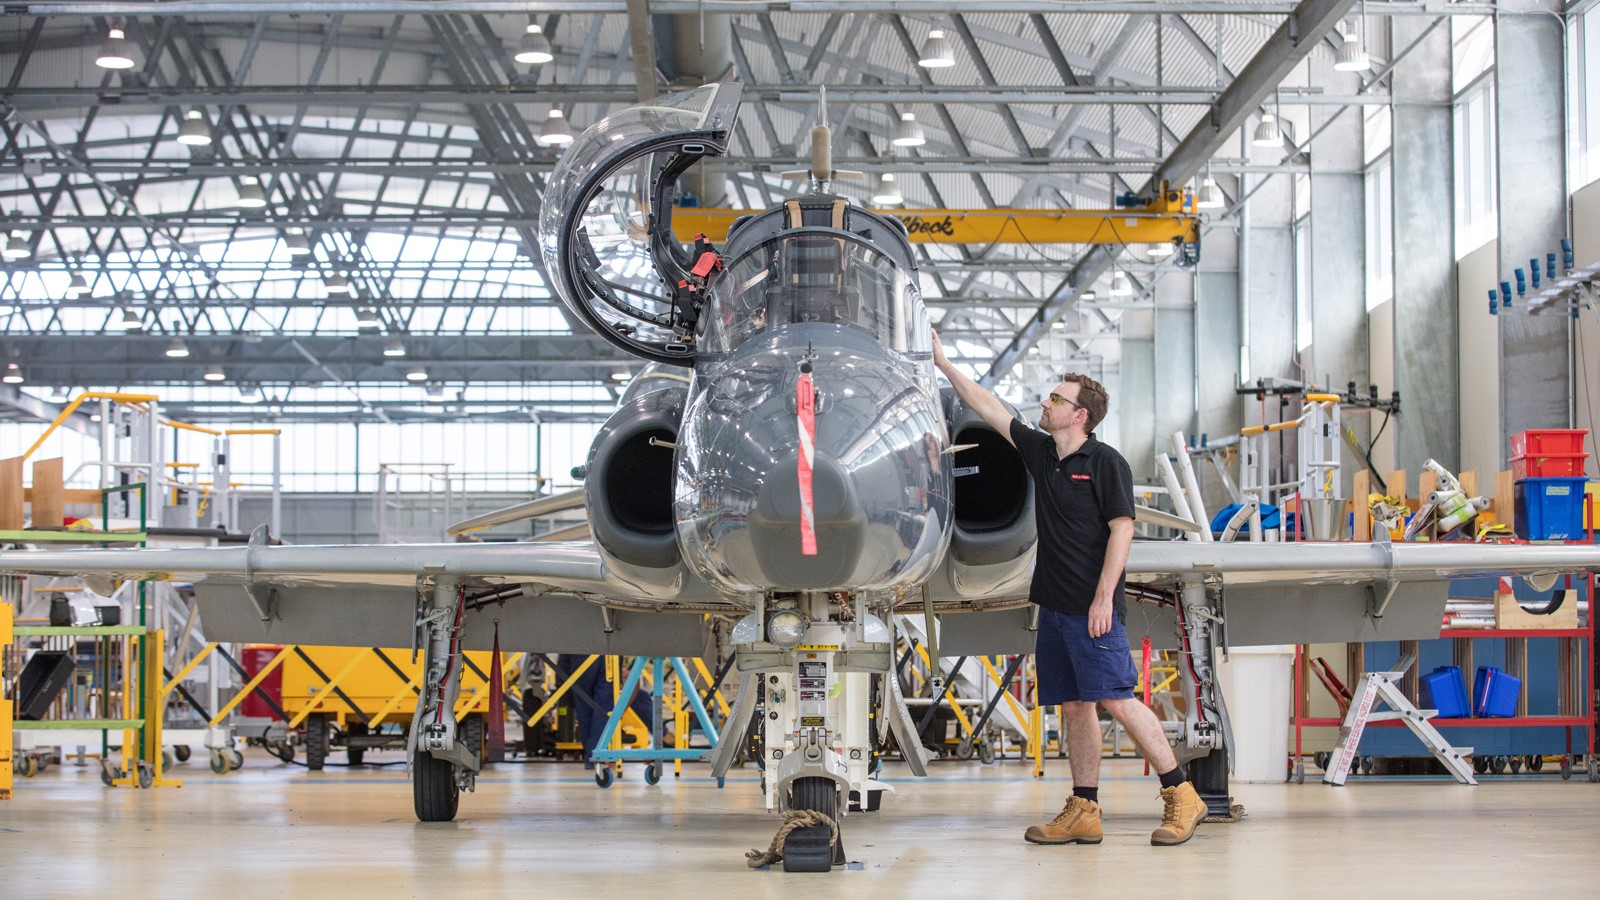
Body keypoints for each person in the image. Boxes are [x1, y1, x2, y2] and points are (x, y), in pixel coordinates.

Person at [931, 330, 1207, 848]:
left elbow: (1122, 528)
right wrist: (945, 364)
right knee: (1076, 706)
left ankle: (1181, 794)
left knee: (1118, 699)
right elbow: (987, 405)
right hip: (1054, 608)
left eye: (1057, 398)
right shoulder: (1041, 452)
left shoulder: (1107, 464)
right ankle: (1084, 807)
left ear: (1080, 414)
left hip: (1092, 608)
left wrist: (1104, 597)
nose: (1046, 401)